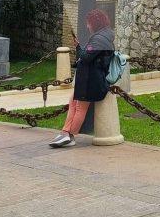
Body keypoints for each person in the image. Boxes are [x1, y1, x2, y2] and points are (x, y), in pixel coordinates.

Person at [49, 9, 115, 148]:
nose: (87, 26)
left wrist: (79, 48)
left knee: (80, 107)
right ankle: (65, 132)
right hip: (86, 79)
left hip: (91, 81)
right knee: (73, 103)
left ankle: (70, 135)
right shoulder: (103, 36)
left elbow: (85, 57)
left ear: (95, 23)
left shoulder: (99, 39)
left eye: (89, 23)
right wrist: (80, 47)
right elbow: (90, 55)